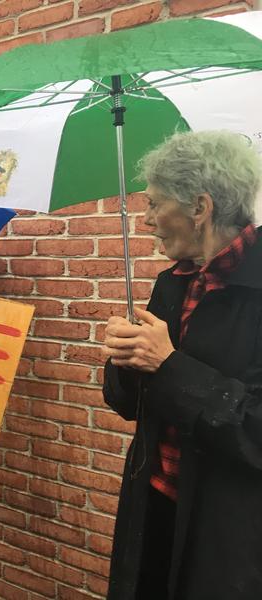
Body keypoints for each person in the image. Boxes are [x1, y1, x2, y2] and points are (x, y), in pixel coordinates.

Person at [101, 131, 262, 600]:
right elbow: (129, 405)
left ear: (199, 206)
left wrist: (168, 365)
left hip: (227, 540)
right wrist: (127, 360)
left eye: (154, 204)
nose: (148, 219)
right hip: (153, 510)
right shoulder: (173, 283)